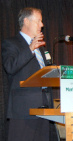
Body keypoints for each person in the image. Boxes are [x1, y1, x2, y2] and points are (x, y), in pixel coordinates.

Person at [1, 7, 57, 141]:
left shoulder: (41, 48)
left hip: (44, 108)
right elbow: (10, 67)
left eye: (41, 22)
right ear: (26, 21)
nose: (42, 25)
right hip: (23, 110)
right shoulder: (11, 43)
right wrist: (30, 48)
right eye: (38, 21)